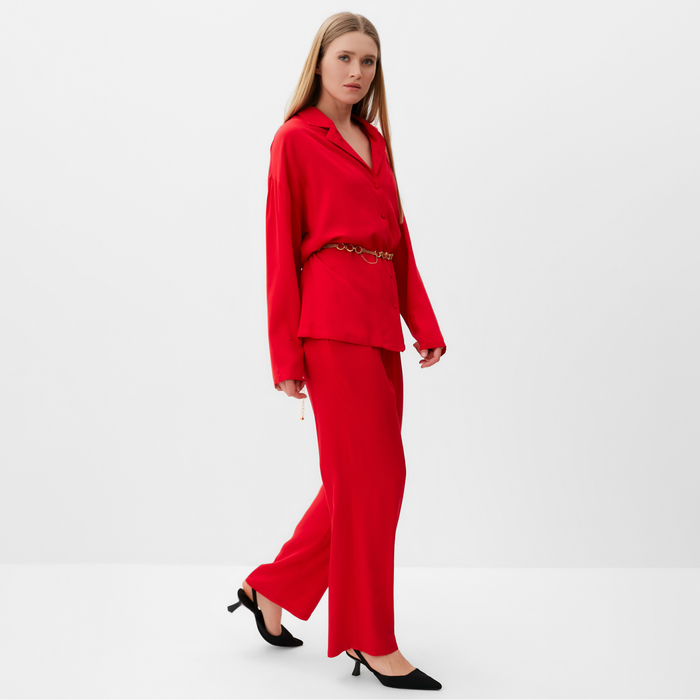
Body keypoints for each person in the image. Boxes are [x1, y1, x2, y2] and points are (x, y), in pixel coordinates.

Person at [227, 12, 446, 691]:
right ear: (319, 62)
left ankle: (272, 588)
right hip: (329, 323)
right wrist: (285, 357)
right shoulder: (294, 140)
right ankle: (371, 639)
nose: (356, 72)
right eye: (345, 57)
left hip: (380, 324)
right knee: (376, 479)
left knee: (364, 480)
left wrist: (422, 321)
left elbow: (398, 237)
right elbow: (278, 250)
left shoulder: (375, 141)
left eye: (368, 61)